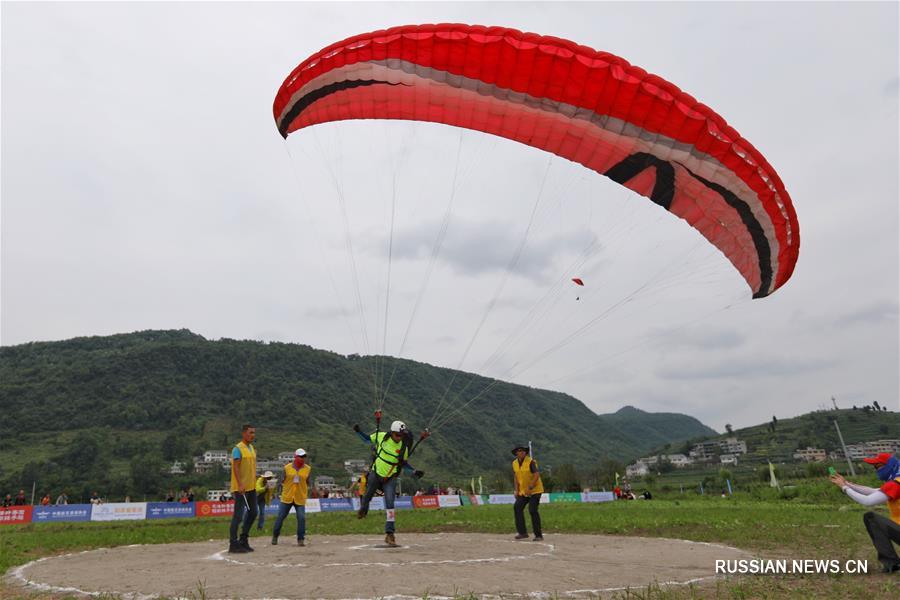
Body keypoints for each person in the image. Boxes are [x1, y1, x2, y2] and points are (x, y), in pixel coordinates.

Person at [353, 419, 426, 547]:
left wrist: (414, 472)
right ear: (392, 433)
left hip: (390, 478)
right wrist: (358, 431)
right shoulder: (382, 437)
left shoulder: (403, 447)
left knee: (390, 503)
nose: (399, 438)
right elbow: (367, 439)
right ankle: (363, 510)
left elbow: (404, 464)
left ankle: (390, 533)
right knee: (368, 495)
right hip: (376, 473)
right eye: (397, 435)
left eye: (402, 435)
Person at [830, 452, 900, 573]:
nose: (876, 470)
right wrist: (846, 483)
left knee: (870, 518)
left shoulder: (896, 484)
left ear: (890, 466)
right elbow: (872, 491)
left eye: (878, 466)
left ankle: (891, 563)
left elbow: (867, 501)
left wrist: (844, 488)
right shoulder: (896, 481)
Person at [271, 449, 314, 546]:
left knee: (301, 518)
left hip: (300, 498)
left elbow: (309, 483)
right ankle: (275, 536)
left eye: (304, 457)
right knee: (280, 517)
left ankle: (301, 539)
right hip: (287, 497)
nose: (303, 459)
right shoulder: (287, 468)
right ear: (295, 457)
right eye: (301, 457)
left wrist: (308, 491)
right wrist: (277, 493)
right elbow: (280, 481)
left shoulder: (308, 469)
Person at [228, 424, 258, 554]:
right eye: (250, 432)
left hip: (251, 487)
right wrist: (240, 484)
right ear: (244, 433)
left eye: (253, 433)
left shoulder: (251, 448)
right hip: (241, 488)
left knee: (253, 512)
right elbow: (235, 467)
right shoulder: (237, 449)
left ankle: (243, 539)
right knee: (238, 516)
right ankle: (233, 544)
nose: (253, 435)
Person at [511, 445, 544, 541]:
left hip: (535, 490)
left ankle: (538, 535)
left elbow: (536, 475)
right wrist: (516, 490)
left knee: (532, 510)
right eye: (519, 451)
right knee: (517, 507)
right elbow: (516, 477)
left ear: (525, 453)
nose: (521, 452)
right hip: (523, 492)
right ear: (516, 453)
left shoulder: (530, 462)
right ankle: (522, 532)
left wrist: (530, 487)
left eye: (523, 451)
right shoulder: (514, 463)